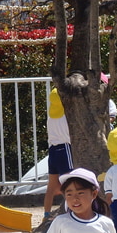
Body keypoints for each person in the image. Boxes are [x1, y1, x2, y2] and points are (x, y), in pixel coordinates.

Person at [42, 87, 73, 223]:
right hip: (65, 147)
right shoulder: (66, 115)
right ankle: (71, 211)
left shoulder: (51, 115)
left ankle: (46, 214)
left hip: (53, 150)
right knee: (70, 182)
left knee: (51, 185)